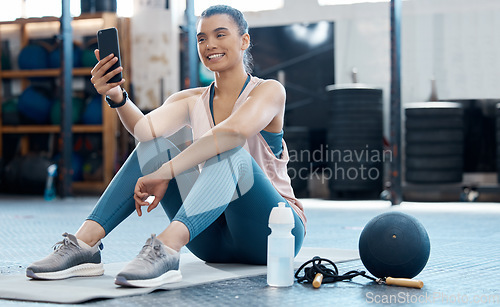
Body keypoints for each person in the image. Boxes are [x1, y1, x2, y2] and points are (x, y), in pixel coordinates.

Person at [26, 5, 306, 288]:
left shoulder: (268, 91)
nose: (210, 45)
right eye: (201, 38)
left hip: (273, 232)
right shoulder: (190, 99)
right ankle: (84, 245)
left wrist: (166, 172)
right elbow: (144, 130)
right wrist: (116, 96)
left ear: (244, 40)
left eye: (220, 35)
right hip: (211, 239)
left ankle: (165, 248)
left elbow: (233, 132)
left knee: (229, 153)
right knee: (153, 146)